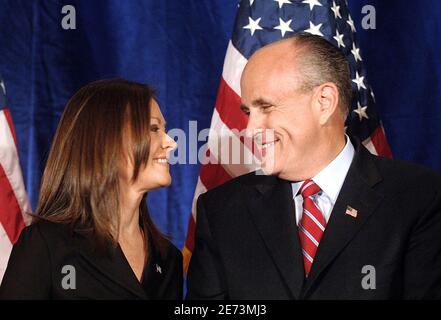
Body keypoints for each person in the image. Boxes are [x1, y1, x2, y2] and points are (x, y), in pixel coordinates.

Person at [186, 34, 441, 299]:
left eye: (266, 107)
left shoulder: (419, 198)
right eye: (249, 112)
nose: (250, 130)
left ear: (324, 102)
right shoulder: (222, 211)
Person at [0, 79, 182, 299]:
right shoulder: (46, 245)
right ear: (106, 140)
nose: (171, 142)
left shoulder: (168, 257)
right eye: (154, 128)